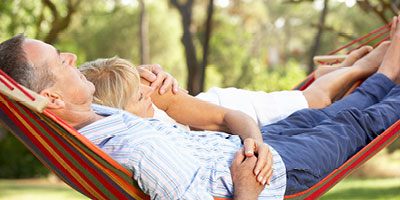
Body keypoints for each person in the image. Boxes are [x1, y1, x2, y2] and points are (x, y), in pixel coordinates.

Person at [1, 16, 400, 199]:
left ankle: (382, 71)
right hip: (274, 170)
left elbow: (120, 89)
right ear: (52, 98)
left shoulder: (103, 121)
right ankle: (388, 70)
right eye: (60, 61)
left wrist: (156, 87)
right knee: (358, 122)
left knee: (337, 114)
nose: (71, 56)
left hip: (258, 146)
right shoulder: (139, 150)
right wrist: (247, 186)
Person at [78, 45, 380, 132]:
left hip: (232, 108)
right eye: (137, 97)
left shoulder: (150, 91)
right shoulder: (113, 125)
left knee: (317, 100)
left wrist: (150, 77)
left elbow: (215, 115)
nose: (146, 97)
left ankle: (358, 68)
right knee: (320, 106)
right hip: (226, 116)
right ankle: (338, 71)